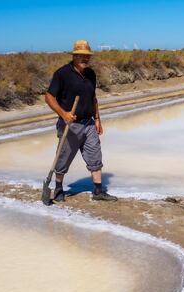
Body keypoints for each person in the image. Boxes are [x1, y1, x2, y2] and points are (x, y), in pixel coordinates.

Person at [45, 40, 117, 202]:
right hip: (70, 125)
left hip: (89, 123)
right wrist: (64, 114)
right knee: (64, 157)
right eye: (81, 56)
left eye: (87, 56)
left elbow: (93, 98)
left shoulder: (91, 74)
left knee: (95, 155)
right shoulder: (62, 74)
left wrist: (98, 119)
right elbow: (49, 97)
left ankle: (98, 191)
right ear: (74, 56)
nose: (85, 59)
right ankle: (58, 188)